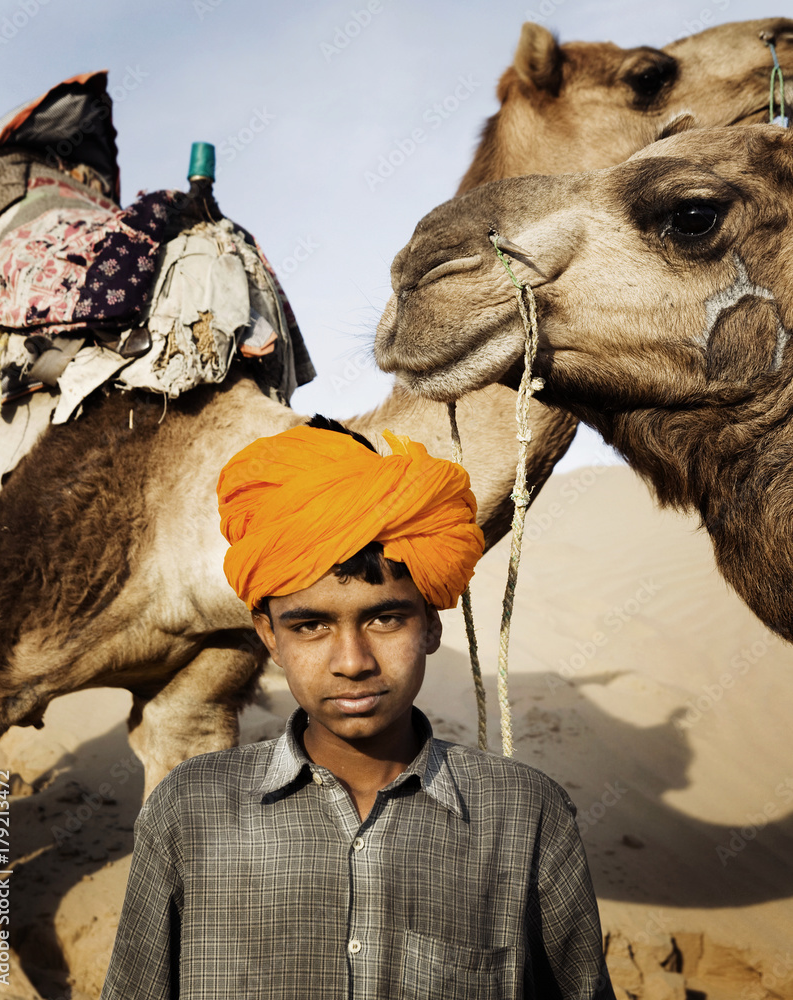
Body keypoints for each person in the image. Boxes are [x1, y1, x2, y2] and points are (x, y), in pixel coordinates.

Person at [100, 417, 616, 1000]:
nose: (352, 661)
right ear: (269, 637)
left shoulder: (529, 816)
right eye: (311, 625)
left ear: (430, 626)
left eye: (385, 618)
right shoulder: (186, 810)